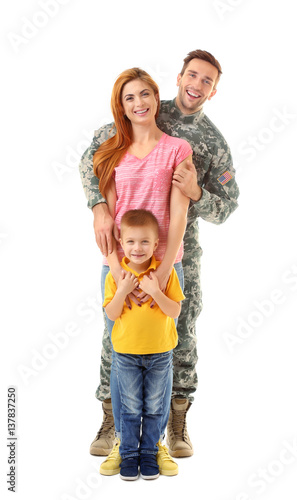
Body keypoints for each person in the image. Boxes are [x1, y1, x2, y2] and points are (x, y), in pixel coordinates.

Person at [79, 49, 240, 466]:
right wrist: (98, 205)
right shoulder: (146, 109)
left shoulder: (209, 143)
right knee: (118, 329)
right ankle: (112, 419)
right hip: (125, 250)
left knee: (179, 330)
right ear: (178, 77)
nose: (197, 84)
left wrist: (196, 193)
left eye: (207, 80)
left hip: (177, 251)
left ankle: (176, 420)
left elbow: (227, 206)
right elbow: (92, 158)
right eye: (192, 75)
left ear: (214, 89)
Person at [90, 66, 192, 476]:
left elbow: (180, 210)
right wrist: (122, 274)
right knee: (120, 349)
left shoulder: (177, 149)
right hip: (119, 265)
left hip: (164, 264)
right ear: (122, 106)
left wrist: (159, 276)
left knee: (163, 348)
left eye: (145, 94)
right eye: (130, 97)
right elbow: (109, 216)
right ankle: (121, 441)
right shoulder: (110, 152)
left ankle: (157, 445)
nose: (139, 103)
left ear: (156, 96)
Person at [103, 210, 185, 480]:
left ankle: (149, 451)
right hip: (126, 354)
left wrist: (155, 292)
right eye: (131, 242)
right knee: (129, 407)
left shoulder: (165, 273)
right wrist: (124, 290)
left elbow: (174, 312)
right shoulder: (116, 276)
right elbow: (112, 314)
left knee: (154, 407)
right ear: (121, 242)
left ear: (156, 243)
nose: (137, 248)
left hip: (160, 353)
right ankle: (128, 453)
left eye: (145, 242)